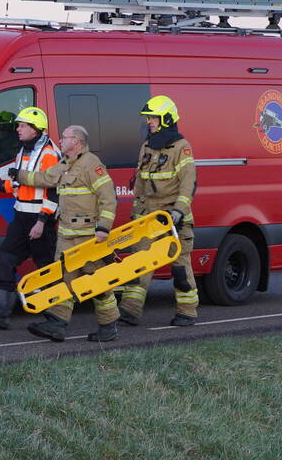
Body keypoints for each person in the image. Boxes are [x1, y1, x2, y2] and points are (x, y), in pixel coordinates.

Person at [18, 125, 119, 342]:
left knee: (97, 281)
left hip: (88, 237)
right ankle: (57, 324)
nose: (60, 141)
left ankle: (109, 325)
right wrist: (18, 175)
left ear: (77, 142)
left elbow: (109, 198)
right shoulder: (64, 164)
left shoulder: (92, 165)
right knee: (63, 278)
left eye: (64, 137)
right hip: (66, 235)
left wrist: (103, 228)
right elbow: (44, 178)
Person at [0, 106, 59, 329]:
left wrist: (42, 221)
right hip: (21, 217)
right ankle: (1, 315)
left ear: (35, 129)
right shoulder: (23, 151)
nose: (17, 129)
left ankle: (56, 319)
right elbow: (21, 184)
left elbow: (53, 191)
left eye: (22, 126)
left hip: (40, 220)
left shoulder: (49, 154)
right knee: (6, 259)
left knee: (46, 268)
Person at [118, 95, 199, 327]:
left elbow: (188, 183)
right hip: (149, 217)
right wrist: (136, 213)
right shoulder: (147, 146)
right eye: (148, 118)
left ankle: (187, 311)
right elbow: (141, 183)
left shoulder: (181, 148)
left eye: (153, 117)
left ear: (165, 119)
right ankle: (130, 311)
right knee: (138, 262)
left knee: (180, 267)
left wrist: (179, 210)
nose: (149, 122)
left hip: (174, 218)